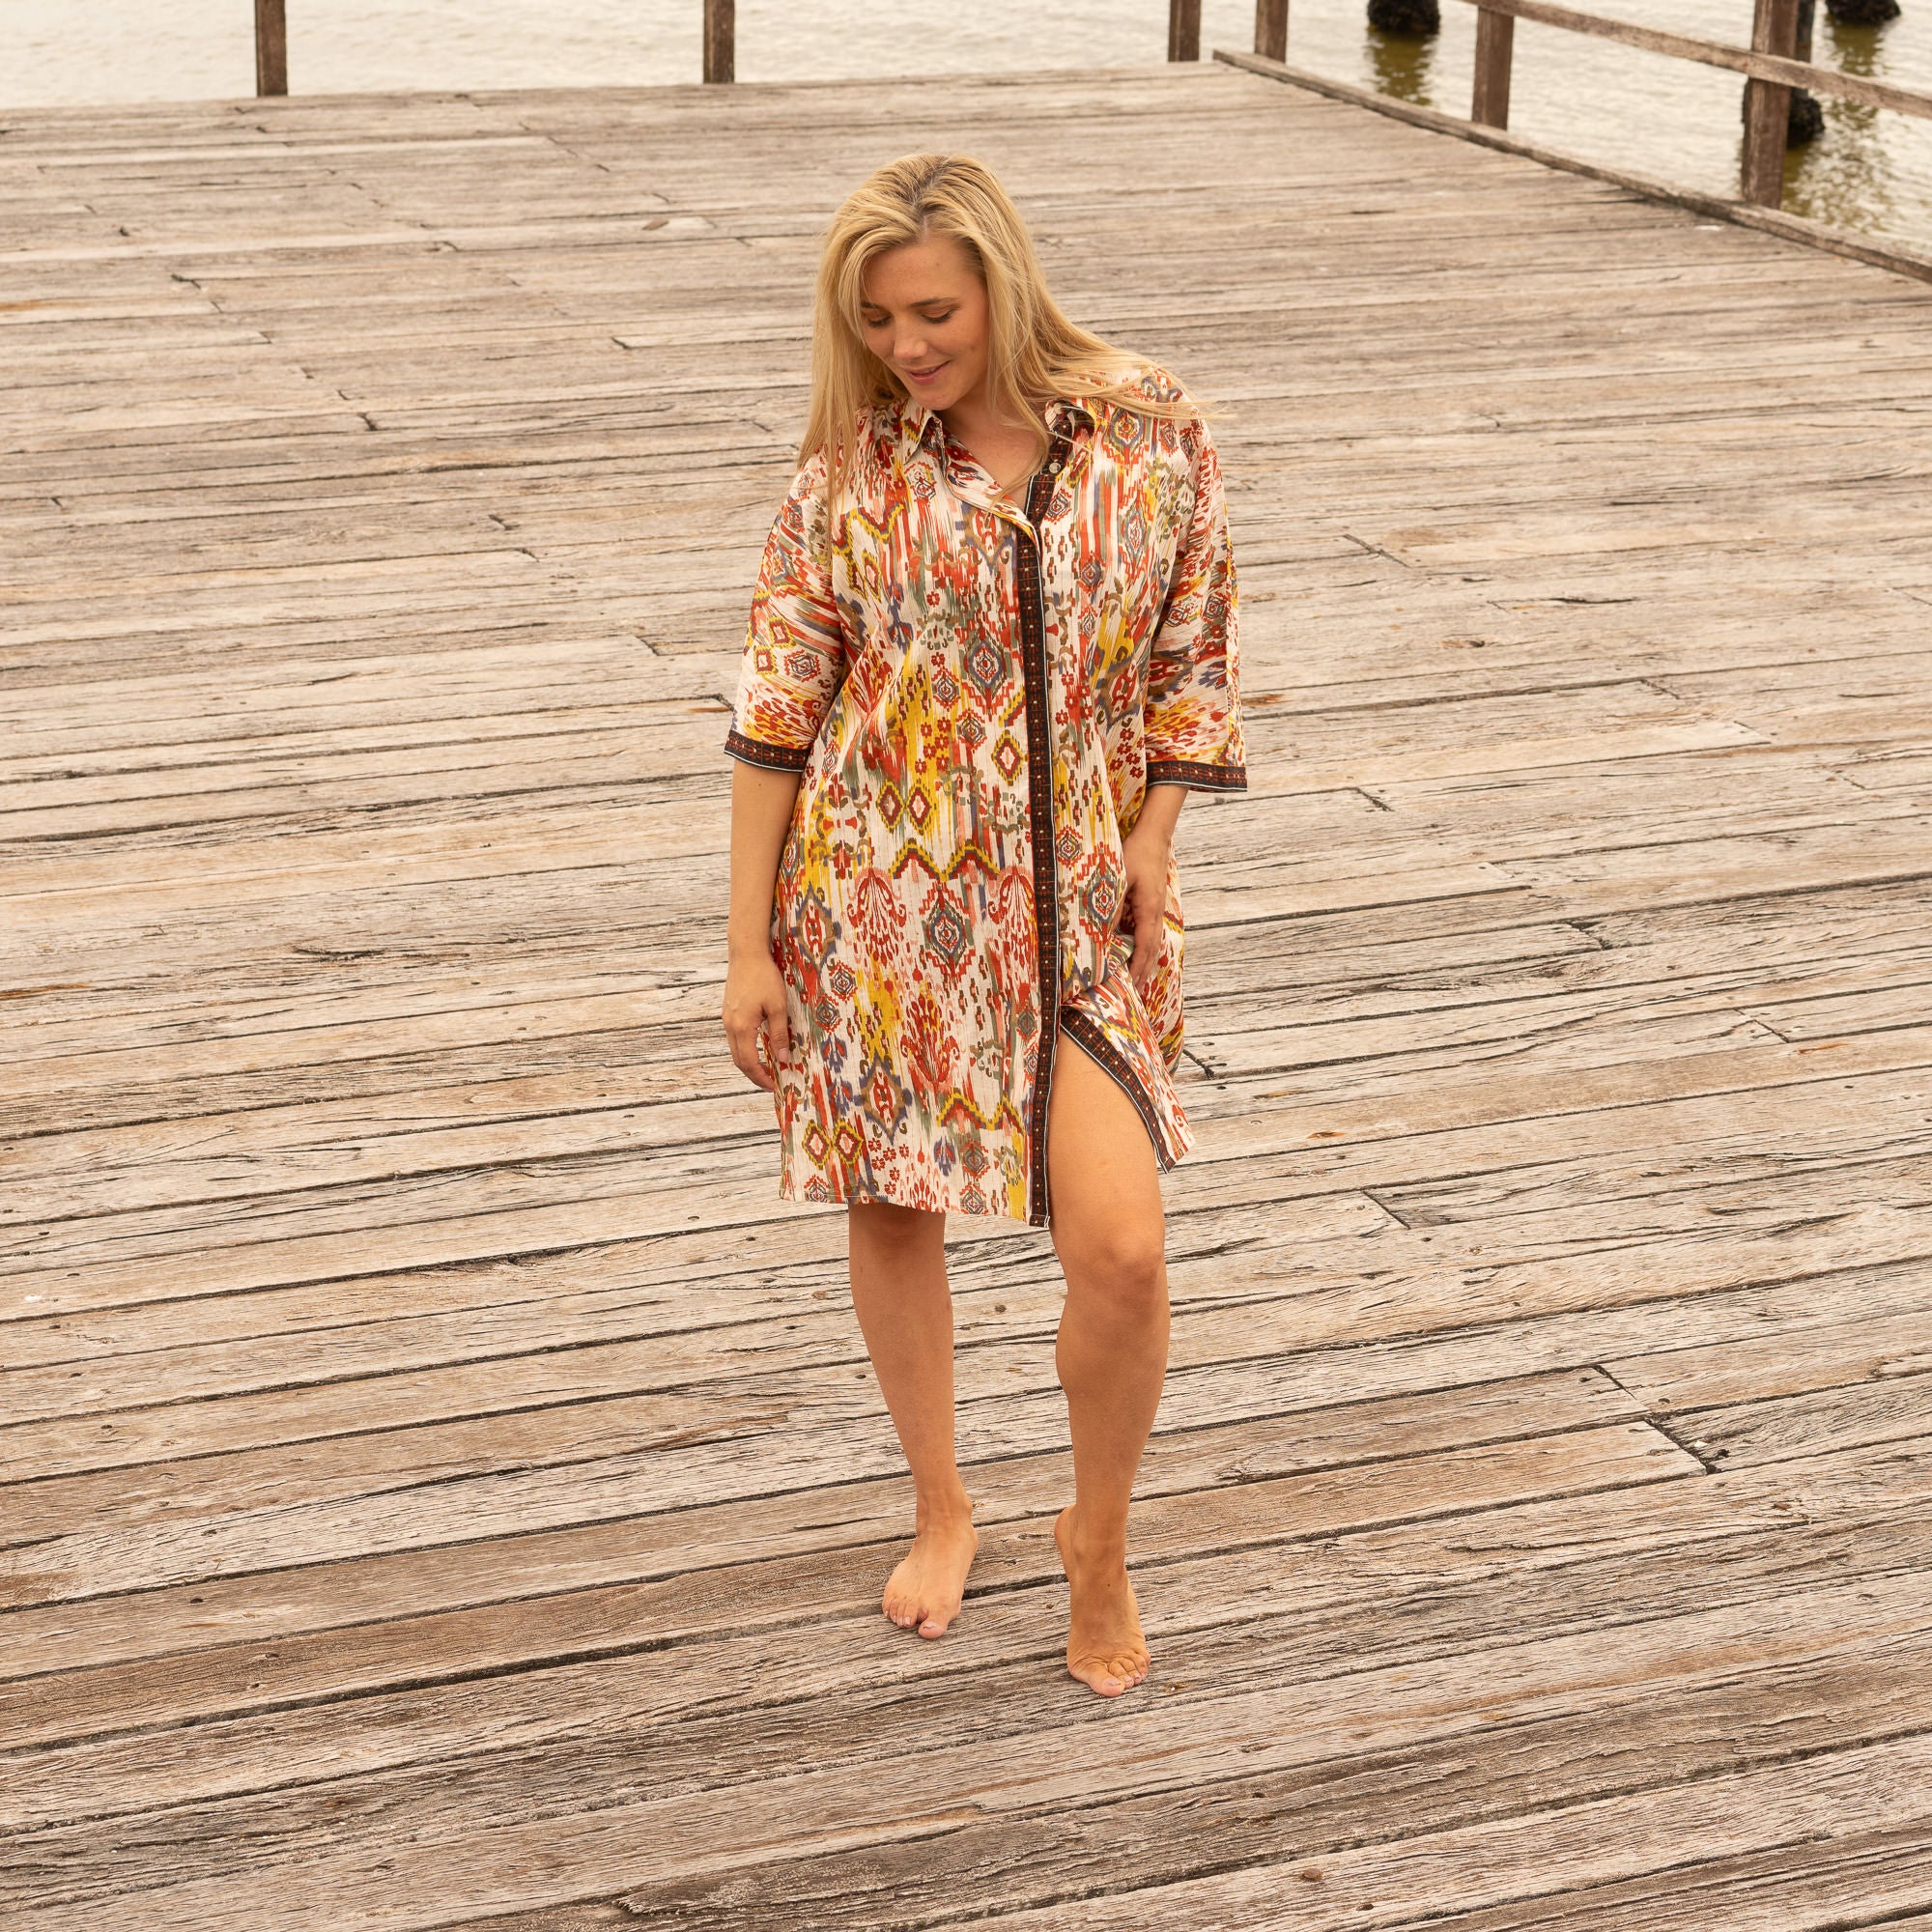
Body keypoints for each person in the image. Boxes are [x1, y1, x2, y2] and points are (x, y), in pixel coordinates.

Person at [720, 153, 1244, 1699]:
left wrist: (1156, 835)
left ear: (1005, 283)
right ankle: (945, 1503)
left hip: (1078, 910)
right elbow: (775, 710)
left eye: (933, 311)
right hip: (880, 903)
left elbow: (1193, 656)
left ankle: (1101, 1535)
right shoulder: (851, 475)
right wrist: (746, 943)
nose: (909, 347)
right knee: (895, 1205)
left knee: (1125, 1248)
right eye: (878, 321)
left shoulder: (1155, 435)